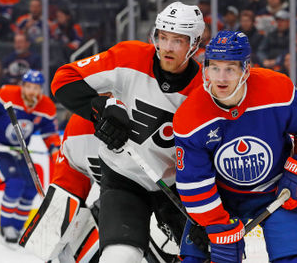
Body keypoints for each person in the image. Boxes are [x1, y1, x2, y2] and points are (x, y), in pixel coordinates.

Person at [50, 2, 205, 262]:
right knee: (119, 256)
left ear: (195, 43)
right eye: (162, 37)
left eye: (177, 41)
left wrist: (207, 217)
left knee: (204, 254)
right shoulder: (129, 56)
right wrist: (99, 109)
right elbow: (64, 79)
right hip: (124, 179)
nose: (166, 47)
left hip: (179, 187)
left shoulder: (204, 90)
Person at [173, 31, 297, 263]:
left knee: (295, 260)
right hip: (222, 200)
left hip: (276, 194)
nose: (221, 78)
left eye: (230, 69)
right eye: (214, 68)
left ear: (246, 68)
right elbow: (194, 183)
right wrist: (217, 225)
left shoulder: (277, 89)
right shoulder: (190, 116)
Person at [21, 113, 182, 263]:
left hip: (171, 196)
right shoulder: (79, 129)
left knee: (172, 243)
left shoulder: (153, 102)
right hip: (118, 202)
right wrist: (51, 232)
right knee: (79, 249)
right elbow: (68, 185)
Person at [0, 69, 60, 249]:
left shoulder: (46, 107)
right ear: (22, 86)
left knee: (31, 188)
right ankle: (6, 228)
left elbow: (50, 134)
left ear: (41, 89)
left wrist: (55, 150)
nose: (32, 91)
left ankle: (17, 229)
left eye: (36, 87)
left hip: (20, 151)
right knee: (15, 183)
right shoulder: (6, 94)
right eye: (29, 86)